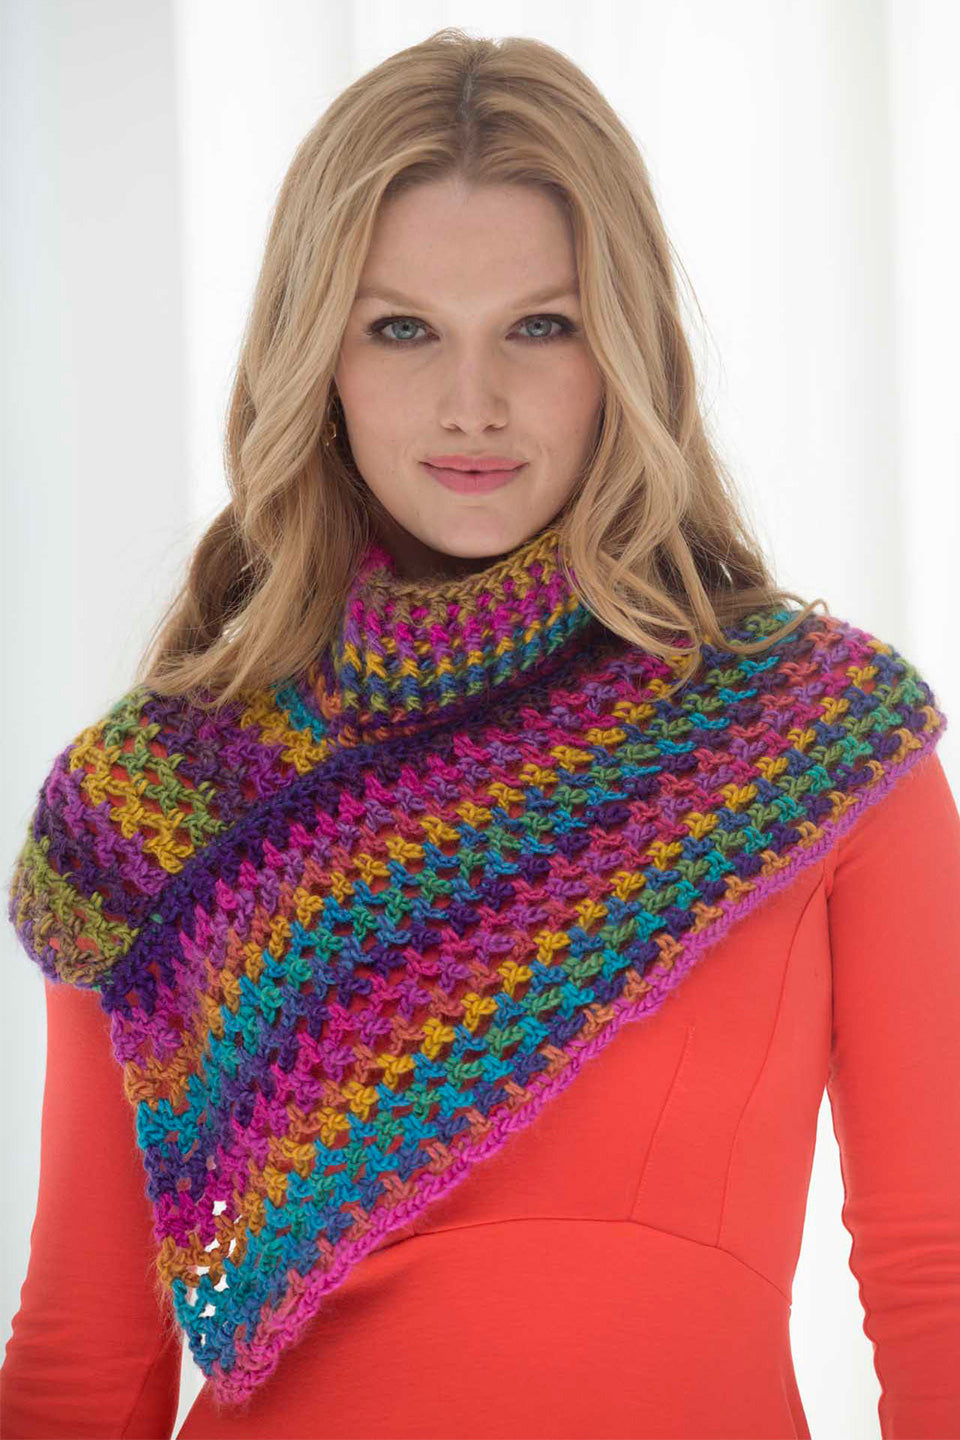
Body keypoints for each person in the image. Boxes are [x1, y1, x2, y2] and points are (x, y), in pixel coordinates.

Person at [2, 26, 958, 1440]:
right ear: (317, 356)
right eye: (403, 329)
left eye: (540, 326)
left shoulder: (816, 744)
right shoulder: (160, 799)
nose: (472, 404)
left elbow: (937, 1277)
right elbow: (87, 1349)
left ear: (624, 349)